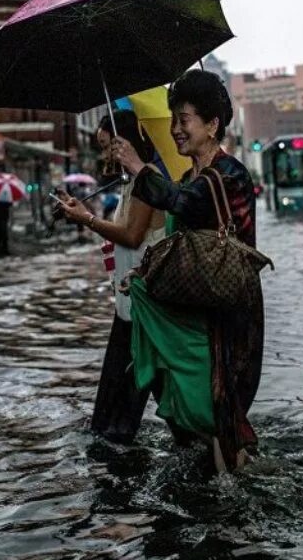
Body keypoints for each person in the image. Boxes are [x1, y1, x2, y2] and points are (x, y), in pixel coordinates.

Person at [109, 69, 264, 472]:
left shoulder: (227, 175)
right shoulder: (188, 176)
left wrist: (138, 166)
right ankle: (225, 485)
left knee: (220, 405)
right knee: (194, 406)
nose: (177, 129)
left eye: (185, 120)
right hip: (193, 315)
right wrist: (142, 274)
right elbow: (176, 241)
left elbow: (185, 203)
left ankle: (239, 498)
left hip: (226, 316)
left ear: (212, 125)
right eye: (173, 119)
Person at [57, 110, 167, 444]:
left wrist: (87, 219)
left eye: (107, 146)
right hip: (129, 304)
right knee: (114, 408)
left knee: (120, 412)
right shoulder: (130, 182)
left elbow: (133, 235)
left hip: (145, 308)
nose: (104, 155)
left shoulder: (146, 177)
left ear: (124, 143)